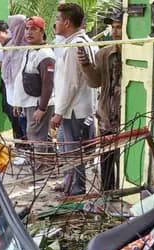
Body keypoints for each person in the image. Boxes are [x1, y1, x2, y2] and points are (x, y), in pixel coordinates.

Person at [50, 2, 98, 196]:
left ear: (67, 22)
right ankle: (70, 182)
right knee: (69, 149)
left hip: (74, 109)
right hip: (78, 106)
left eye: (57, 20)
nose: (55, 23)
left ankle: (77, 188)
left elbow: (71, 84)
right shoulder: (83, 41)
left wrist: (59, 113)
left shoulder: (75, 46)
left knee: (73, 152)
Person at [79, 8, 123, 191]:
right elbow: (95, 82)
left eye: (119, 26)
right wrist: (85, 65)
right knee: (106, 159)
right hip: (107, 115)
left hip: (127, 116)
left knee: (125, 159)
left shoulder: (139, 52)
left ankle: (126, 192)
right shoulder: (104, 54)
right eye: (114, 27)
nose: (115, 31)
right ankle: (107, 192)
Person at [11, 16, 55, 150]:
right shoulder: (30, 50)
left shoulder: (45, 54)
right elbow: (22, 78)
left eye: (34, 29)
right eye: (27, 29)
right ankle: (43, 166)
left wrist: (42, 108)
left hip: (38, 105)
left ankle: (41, 168)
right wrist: (18, 102)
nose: (29, 32)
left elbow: (48, 84)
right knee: (35, 137)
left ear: (42, 32)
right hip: (29, 103)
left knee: (37, 139)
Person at [0, 16, 27, 138]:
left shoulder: (19, 46)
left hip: (20, 96)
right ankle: (22, 150)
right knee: (17, 125)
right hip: (12, 96)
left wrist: (17, 101)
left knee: (24, 127)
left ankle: (27, 150)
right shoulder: (9, 46)